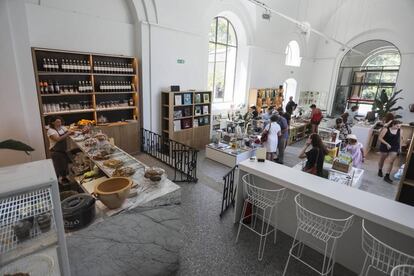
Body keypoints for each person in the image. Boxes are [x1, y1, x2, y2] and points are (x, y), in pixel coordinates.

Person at [47, 116, 74, 184]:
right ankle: (58, 184)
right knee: (58, 167)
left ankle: (65, 181)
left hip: (63, 150)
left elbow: (69, 131)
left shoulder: (62, 128)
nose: (60, 123)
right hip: (56, 152)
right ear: (53, 122)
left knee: (64, 166)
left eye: (60, 121)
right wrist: (68, 133)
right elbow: (57, 139)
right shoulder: (50, 131)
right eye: (57, 122)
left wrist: (73, 132)